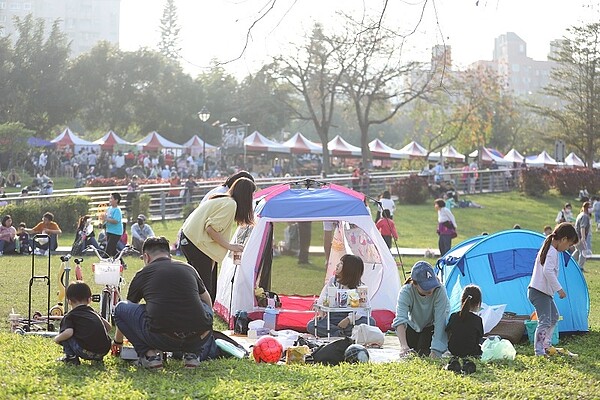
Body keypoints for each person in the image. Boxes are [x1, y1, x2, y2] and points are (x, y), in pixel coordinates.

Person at [112, 237, 217, 369]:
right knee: (205, 308)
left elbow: (127, 311)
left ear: (146, 257)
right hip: (199, 336)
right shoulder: (188, 268)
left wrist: (118, 342)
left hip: (162, 338)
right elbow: (207, 300)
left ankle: (150, 356)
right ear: (169, 254)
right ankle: (192, 355)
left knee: (121, 307)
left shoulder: (143, 274)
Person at [180, 177, 256, 303]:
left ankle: (198, 313)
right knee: (204, 290)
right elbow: (211, 229)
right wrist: (230, 246)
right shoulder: (230, 204)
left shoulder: (224, 199)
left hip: (191, 240)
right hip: (196, 243)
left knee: (201, 285)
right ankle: (201, 317)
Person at [528, 223, 578, 357]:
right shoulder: (552, 252)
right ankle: (539, 351)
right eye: (569, 245)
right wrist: (559, 289)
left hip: (543, 293)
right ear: (563, 239)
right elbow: (548, 271)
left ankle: (546, 345)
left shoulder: (551, 250)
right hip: (539, 292)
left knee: (554, 317)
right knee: (544, 320)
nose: (567, 248)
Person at [307, 254, 375, 337]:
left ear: (349, 268)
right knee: (311, 325)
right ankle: (339, 333)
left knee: (370, 321)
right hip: (333, 317)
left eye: (341, 263)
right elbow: (323, 298)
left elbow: (364, 310)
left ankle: (336, 332)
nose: (337, 265)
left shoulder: (360, 288)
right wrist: (321, 313)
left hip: (350, 318)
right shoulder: (333, 281)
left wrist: (348, 319)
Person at [392, 261, 449, 358]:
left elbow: (440, 321)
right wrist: (404, 346)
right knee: (413, 349)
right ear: (415, 283)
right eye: (426, 287)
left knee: (424, 351)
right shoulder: (406, 291)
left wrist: (436, 350)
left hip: (431, 327)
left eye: (432, 284)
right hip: (413, 327)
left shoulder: (440, 290)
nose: (430, 290)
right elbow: (400, 319)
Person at [54, 281, 112, 365]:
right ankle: (98, 360)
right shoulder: (93, 313)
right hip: (103, 351)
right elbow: (109, 327)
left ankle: (71, 357)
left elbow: (69, 333)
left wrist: (57, 339)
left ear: (69, 301)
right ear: (89, 300)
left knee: (65, 334)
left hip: (84, 351)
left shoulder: (70, 316)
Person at [444, 285, 483, 374]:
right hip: (472, 351)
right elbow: (479, 337)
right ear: (478, 303)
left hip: (453, 349)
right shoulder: (477, 319)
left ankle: (454, 362)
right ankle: (467, 364)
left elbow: (448, 332)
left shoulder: (454, 316)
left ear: (462, 300)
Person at [100, 193, 123, 258]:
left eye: (111, 198)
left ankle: (103, 262)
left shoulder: (117, 210)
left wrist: (106, 219)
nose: (110, 200)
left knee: (108, 251)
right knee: (113, 250)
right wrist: (102, 222)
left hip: (116, 233)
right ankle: (122, 263)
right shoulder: (109, 208)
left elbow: (115, 221)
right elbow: (106, 218)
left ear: (116, 200)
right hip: (109, 231)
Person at [572, 201, 591, 271]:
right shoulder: (585, 216)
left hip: (576, 237)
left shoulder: (580, 214)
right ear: (587, 208)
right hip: (579, 237)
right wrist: (583, 238)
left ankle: (570, 262)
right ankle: (580, 267)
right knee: (584, 251)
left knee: (577, 251)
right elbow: (582, 227)